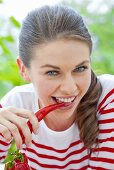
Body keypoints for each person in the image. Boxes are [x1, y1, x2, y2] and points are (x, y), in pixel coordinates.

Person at [0, 4, 114, 170]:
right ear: (23, 69)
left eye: (80, 68)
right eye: (52, 72)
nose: (69, 88)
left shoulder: (108, 96)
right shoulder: (16, 103)